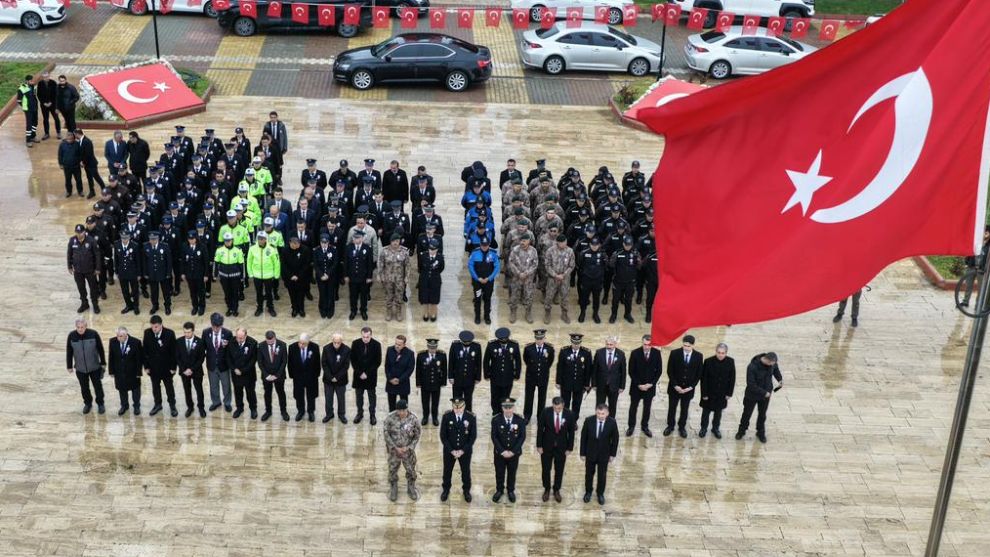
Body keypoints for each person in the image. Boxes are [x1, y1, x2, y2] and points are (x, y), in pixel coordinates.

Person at [535, 396, 575, 503]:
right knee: (546, 469)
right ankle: (547, 489)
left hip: (562, 447)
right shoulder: (545, 412)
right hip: (546, 446)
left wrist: (570, 448)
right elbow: (540, 429)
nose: (557, 410)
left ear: (563, 405)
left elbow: (571, 432)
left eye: (559, 408)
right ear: (552, 405)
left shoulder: (569, 414)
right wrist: (539, 445)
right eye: (555, 408)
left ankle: (556, 489)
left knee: (559, 469)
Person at [736, 352, 782, 443]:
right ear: (767, 360)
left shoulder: (772, 364)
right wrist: (764, 393)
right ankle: (741, 431)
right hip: (752, 395)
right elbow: (751, 384)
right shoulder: (752, 367)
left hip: (765, 395)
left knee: (762, 414)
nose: (773, 365)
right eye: (771, 364)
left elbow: (776, 370)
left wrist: (780, 379)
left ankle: (760, 432)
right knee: (747, 414)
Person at [664, 335, 703, 438]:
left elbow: (699, 374)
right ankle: (670, 426)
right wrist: (675, 385)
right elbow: (670, 371)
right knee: (672, 408)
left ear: (693, 345)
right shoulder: (674, 353)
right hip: (674, 388)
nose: (686, 348)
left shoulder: (698, 356)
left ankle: (682, 427)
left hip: (688, 390)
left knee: (684, 409)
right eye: (684, 345)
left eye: (688, 346)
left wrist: (691, 387)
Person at [580, 403, 619, 505]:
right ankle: (588, 492)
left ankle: (600, 493)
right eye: (598, 413)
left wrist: (612, 454)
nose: (600, 416)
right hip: (590, 453)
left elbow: (615, 439)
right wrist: (582, 453)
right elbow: (583, 438)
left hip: (604, 455)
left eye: (603, 413)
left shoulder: (612, 423)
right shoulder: (589, 421)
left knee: (602, 475)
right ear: (595, 412)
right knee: (589, 474)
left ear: (607, 413)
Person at [384, 399, 422, 501]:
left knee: (410, 469)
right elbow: (386, 433)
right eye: (399, 410)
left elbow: (417, 435)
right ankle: (393, 486)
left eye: (403, 410)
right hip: (394, 450)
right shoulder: (390, 418)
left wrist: (409, 447)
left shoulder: (413, 419)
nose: (401, 413)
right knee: (392, 469)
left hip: (407, 451)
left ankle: (411, 486)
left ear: (407, 409)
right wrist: (394, 447)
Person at [439, 398, 476, 502]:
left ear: (464, 406)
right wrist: (451, 450)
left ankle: (466, 491)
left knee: (466, 472)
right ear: (452, 407)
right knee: (447, 471)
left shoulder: (471, 417)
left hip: (465, 451)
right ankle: (446, 489)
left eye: (460, 407)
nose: (458, 410)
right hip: (449, 450)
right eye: (455, 407)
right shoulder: (447, 416)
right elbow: (443, 436)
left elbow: (472, 437)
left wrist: (462, 451)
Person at [66, 318, 106, 415]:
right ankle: (88, 404)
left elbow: (100, 349)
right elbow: (69, 351)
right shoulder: (71, 336)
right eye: (78, 327)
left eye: (82, 327)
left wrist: (103, 363)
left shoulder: (93, 334)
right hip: (80, 368)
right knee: (84, 388)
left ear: (86, 326)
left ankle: (100, 403)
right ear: (76, 327)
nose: (80, 329)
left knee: (98, 386)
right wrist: (69, 366)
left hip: (94, 367)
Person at [142, 315, 178, 418]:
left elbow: (174, 352)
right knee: (155, 387)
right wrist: (146, 366)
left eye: (156, 326)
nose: (154, 329)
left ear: (161, 325)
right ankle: (158, 404)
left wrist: (173, 367)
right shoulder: (147, 333)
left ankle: (172, 405)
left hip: (167, 368)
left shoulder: (169, 334)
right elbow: (145, 351)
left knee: (169, 387)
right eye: (152, 326)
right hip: (153, 368)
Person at [491, 398, 526, 503]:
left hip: (514, 454)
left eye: (510, 407)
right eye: (505, 408)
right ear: (502, 408)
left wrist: (513, 451)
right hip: (500, 453)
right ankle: (499, 490)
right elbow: (494, 437)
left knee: (512, 473)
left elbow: (522, 437)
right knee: (499, 473)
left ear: (513, 408)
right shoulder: (496, 420)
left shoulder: (520, 420)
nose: (508, 410)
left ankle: (510, 491)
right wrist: (502, 451)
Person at [627, 335, 662, 437]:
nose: (646, 347)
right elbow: (631, 371)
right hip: (636, 387)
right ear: (642, 342)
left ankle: (645, 426)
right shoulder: (635, 353)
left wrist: (651, 383)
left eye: (649, 345)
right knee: (633, 407)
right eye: (645, 344)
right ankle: (631, 426)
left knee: (647, 408)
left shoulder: (657, 353)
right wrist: (639, 384)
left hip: (649, 387)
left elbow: (659, 371)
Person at [699, 343, 735, 439]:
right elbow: (704, 379)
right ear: (716, 352)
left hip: (722, 394)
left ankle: (715, 428)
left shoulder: (730, 361)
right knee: (705, 413)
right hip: (709, 393)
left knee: (718, 413)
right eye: (718, 352)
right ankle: (703, 428)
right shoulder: (708, 361)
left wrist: (729, 393)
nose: (720, 355)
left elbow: (732, 378)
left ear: (726, 353)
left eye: (723, 353)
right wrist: (704, 394)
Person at [484, 328, 522, 416]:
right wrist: (486, 374)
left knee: (506, 395)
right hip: (495, 375)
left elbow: (518, 361)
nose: (503, 342)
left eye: (505, 340)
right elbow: (486, 360)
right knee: (495, 395)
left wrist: (517, 374)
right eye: (501, 341)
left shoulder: (514, 345)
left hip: (508, 376)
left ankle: (503, 412)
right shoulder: (492, 345)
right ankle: (495, 412)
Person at [555, 333, 593, 418]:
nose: (576, 345)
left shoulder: (586, 353)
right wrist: (558, 382)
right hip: (566, 382)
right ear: (571, 342)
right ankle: (565, 418)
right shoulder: (564, 351)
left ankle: (574, 420)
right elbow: (560, 367)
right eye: (574, 343)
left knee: (577, 403)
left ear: (580, 342)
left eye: (578, 343)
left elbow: (588, 370)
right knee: (565, 402)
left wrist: (587, 384)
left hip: (579, 383)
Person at [67, 224, 102, 314]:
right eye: (77, 232)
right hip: (78, 270)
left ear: (84, 232)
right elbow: (69, 254)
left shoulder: (91, 240)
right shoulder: (72, 240)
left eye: (81, 232)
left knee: (93, 288)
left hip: (90, 270)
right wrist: (69, 266)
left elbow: (97, 255)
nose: (79, 234)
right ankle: (84, 303)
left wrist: (98, 268)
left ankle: (95, 304)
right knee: (81, 288)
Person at [351, 327, 382, 425]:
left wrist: (367, 373)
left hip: (371, 375)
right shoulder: (355, 343)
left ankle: (372, 415)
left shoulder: (377, 345)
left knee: (371, 396)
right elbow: (353, 360)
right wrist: (360, 373)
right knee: (359, 396)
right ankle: (359, 413)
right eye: (363, 337)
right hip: (358, 375)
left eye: (367, 337)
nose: (365, 339)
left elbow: (377, 362)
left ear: (371, 335)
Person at [522, 329, 555, 424]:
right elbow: (526, 360)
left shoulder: (549, 349)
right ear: (535, 338)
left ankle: (540, 416)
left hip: (543, 377)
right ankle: (527, 416)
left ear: (544, 338)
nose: (539, 341)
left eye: (541, 339)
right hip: (531, 377)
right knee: (529, 397)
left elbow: (550, 362)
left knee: (542, 397)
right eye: (537, 338)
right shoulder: (528, 348)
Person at [109, 326, 143, 416]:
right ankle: (124, 405)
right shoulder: (112, 341)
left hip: (132, 372)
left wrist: (139, 372)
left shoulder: (135, 342)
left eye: (120, 336)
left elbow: (139, 359)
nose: (118, 338)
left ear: (126, 335)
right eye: (117, 335)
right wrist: (111, 371)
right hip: (119, 372)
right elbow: (111, 357)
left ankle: (136, 406)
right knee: (122, 390)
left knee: (135, 390)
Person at [202, 313, 233, 412]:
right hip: (211, 365)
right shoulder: (206, 332)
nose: (216, 329)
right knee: (213, 386)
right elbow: (203, 348)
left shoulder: (228, 333)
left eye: (218, 326)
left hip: (224, 365)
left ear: (221, 325)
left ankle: (227, 402)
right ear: (211, 324)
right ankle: (216, 402)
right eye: (214, 326)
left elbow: (231, 349)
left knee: (226, 386)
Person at [175, 321, 207, 418]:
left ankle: (201, 407)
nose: (186, 334)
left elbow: (201, 358)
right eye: (185, 332)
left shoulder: (200, 342)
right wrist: (184, 369)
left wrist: (191, 369)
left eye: (188, 332)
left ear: (193, 331)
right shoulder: (179, 341)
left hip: (196, 371)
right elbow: (177, 357)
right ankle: (190, 407)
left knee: (199, 390)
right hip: (184, 371)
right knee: (187, 390)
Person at [226, 327, 258, 419]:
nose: (239, 340)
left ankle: (253, 409)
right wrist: (234, 369)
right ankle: (239, 408)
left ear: (246, 336)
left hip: (248, 374)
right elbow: (228, 357)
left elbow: (253, 360)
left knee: (250, 393)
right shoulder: (231, 342)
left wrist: (242, 370)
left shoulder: (253, 343)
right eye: (237, 337)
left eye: (241, 338)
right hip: (236, 374)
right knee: (238, 392)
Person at [257, 330, 290, 422]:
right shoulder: (261, 346)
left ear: (275, 338)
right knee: (267, 393)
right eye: (268, 342)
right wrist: (266, 375)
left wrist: (277, 375)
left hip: (279, 375)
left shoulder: (282, 345)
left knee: (281, 393)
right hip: (266, 376)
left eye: (272, 342)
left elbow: (284, 361)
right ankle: (268, 411)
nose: (270, 344)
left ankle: (283, 411)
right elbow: (260, 362)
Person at [543, 234, 576, 324]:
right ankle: (547, 313)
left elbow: (572, 265)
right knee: (549, 296)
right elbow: (547, 265)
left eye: (565, 242)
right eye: (561, 243)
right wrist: (555, 275)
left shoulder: (570, 251)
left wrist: (563, 275)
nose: (564, 244)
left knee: (565, 297)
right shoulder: (550, 251)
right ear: (557, 242)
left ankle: (564, 314)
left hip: (565, 279)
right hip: (552, 279)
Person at [288, 333, 321, 422]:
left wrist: (316, 375)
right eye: (300, 343)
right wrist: (292, 375)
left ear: (308, 342)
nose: (301, 345)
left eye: (304, 344)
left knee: (311, 395)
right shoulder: (292, 347)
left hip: (311, 377)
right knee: (299, 395)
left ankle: (311, 412)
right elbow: (290, 363)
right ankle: (300, 411)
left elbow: (317, 363)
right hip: (298, 377)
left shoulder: (314, 347)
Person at [507, 233, 539, 324]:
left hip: (528, 279)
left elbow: (535, 264)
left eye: (524, 241)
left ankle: (528, 313)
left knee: (528, 296)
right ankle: (513, 312)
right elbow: (511, 262)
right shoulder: (515, 250)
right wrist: (518, 273)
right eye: (521, 241)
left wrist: (526, 273)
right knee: (514, 296)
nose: (522, 242)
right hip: (517, 278)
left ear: (529, 241)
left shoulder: (533, 251)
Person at [467, 236, 500, 324]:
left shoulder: (493, 253)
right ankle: (477, 316)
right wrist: (477, 278)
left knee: (487, 299)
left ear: (489, 244)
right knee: (477, 299)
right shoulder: (474, 253)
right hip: (477, 282)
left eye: (486, 245)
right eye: (482, 245)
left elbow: (497, 267)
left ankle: (487, 316)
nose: (484, 247)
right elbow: (470, 266)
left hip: (489, 282)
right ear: (480, 244)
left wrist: (489, 278)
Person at [448, 331, 482, 413]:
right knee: (457, 399)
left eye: (468, 342)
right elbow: (451, 362)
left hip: (470, 378)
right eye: (465, 342)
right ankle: (456, 414)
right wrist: (450, 376)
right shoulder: (455, 346)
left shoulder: (476, 347)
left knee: (468, 399)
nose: (466, 344)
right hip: (457, 378)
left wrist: (478, 377)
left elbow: (479, 363)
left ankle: (468, 415)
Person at [247, 231, 280, 317]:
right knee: (259, 293)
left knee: (269, 293)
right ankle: (259, 308)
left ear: (266, 239)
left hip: (268, 275)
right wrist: (250, 273)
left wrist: (276, 275)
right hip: (257, 275)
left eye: (263, 239)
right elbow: (249, 261)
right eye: (259, 238)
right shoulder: (252, 248)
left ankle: (270, 307)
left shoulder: (272, 248)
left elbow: (276, 262)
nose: (261, 240)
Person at [609, 236, 641, 324]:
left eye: (629, 245)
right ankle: (613, 315)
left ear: (632, 244)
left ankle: (627, 314)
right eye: (626, 245)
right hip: (618, 281)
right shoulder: (617, 253)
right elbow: (611, 265)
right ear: (623, 244)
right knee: (615, 300)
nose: (628, 246)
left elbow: (639, 266)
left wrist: (638, 261)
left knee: (628, 300)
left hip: (630, 281)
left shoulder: (636, 253)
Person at [416, 338, 447, 426]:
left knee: (435, 402)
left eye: (434, 348)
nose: (432, 350)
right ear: (427, 347)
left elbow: (444, 370)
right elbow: (418, 370)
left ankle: (434, 417)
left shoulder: (442, 355)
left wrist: (443, 382)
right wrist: (418, 383)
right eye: (430, 348)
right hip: (425, 383)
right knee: (425, 402)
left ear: (436, 347)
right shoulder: (421, 355)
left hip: (436, 383)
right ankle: (425, 417)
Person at [592, 336, 626, 418]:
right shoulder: (599, 353)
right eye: (607, 344)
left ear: (615, 344)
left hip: (614, 385)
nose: (609, 346)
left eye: (611, 344)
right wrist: (594, 384)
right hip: (601, 385)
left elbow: (623, 371)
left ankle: (611, 422)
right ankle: (598, 420)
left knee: (612, 406)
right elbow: (594, 369)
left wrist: (622, 386)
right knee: (600, 405)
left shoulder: (621, 354)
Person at [345, 230, 375, 320]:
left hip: (364, 277)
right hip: (352, 277)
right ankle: (353, 311)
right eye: (355, 238)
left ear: (362, 238)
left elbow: (370, 264)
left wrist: (369, 276)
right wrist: (346, 275)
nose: (356, 240)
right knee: (353, 295)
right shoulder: (349, 248)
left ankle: (363, 311)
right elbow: (346, 263)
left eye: (358, 238)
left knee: (364, 296)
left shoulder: (367, 248)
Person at [380, 233, 409, 322]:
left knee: (399, 296)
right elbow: (381, 264)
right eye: (393, 241)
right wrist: (381, 275)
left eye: (397, 241)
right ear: (390, 241)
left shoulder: (404, 251)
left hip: (400, 279)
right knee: (388, 296)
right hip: (388, 279)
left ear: (399, 241)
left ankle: (398, 312)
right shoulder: (384, 251)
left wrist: (407, 277)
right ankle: (389, 312)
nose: (395, 243)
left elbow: (407, 265)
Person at [322, 332, 351, 424]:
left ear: (341, 341)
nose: (336, 344)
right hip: (328, 379)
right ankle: (329, 414)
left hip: (341, 380)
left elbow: (346, 366)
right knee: (328, 398)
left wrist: (337, 377)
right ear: (332, 341)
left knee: (341, 399)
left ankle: (341, 414)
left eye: (338, 343)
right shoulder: (326, 348)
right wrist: (330, 377)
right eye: (335, 342)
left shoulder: (346, 350)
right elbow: (324, 364)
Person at [577, 236, 607, 323]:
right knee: (584, 298)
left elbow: (606, 266)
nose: (594, 246)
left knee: (596, 299)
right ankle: (582, 313)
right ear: (590, 244)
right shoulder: (584, 253)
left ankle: (595, 314)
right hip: (586, 280)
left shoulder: (602, 254)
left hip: (597, 280)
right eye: (593, 245)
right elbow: (579, 265)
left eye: (596, 245)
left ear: (599, 245)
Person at [282, 235, 312, 318]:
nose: (294, 246)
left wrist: (298, 275)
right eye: (292, 244)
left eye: (296, 244)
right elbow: (284, 265)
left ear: (299, 243)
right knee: (292, 294)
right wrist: (291, 275)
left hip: (301, 277)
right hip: (290, 278)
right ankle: (294, 308)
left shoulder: (305, 250)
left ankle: (301, 309)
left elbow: (306, 265)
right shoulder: (285, 250)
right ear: (290, 243)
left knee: (301, 294)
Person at [143, 231, 173, 315]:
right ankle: (155, 305)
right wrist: (145, 273)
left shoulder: (164, 246)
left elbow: (169, 261)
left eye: (154, 239)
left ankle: (167, 306)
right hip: (152, 273)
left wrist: (168, 273)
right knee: (153, 292)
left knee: (166, 291)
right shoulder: (146, 247)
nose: (153, 241)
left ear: (158, 239)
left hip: (163, 273)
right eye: (151, 239)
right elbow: (144, 261)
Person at [180, 231, 209, 316]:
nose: (191, 241)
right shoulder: (185, 246)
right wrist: (182, 273)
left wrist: (206, 274)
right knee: (192, 292)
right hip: (189, 274)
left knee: (201, 292)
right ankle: (195, 306)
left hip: (199, 274)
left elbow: (206, 262)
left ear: (196, 238)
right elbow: (183, 261)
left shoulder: (202, 247)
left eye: (192, 239)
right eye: (189, 239)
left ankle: (202, 306)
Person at [385, 335, 415, 411]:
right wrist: (390, 378)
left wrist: (399, 380)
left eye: (399, 345)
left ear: (404, 345)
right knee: (391, 407)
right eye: (396, 343)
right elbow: (387, 366)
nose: (397, 346)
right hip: (391, 383)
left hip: (403, 384)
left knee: (403, 407)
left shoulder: (410, 353)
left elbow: (410, 369)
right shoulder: (389, 350)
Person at [417, 240, 443, 321]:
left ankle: (433, 314)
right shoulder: (423, 256)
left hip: (435, 280)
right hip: (424, 280)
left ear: (437, 249)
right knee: (424, 298)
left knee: (434, 299)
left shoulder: (440, 257)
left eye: (433, 249)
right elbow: (420, 267)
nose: (431, 251)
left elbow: (441, 268)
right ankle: (425, 313)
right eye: (430, 249)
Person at [314, 234, 338, 318]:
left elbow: (335, 263)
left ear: (328, 242)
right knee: (322, 293)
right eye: (322, 242)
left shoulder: (333, 250)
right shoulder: (316, 251)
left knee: (331, 293)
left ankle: (330, 309)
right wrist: (321, 275)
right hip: (320, 277)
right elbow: (316, 265)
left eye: (325, 242)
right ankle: (322, 309)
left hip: (331, 276)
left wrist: (328, 274)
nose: (324, 244)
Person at [75, 129, 105, 197]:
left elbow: (88, 154)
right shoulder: (80, 141)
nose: (75, 136)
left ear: (77, 134)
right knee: (89, 178)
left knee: (96, 177)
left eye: (75, 135)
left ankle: (104, 190)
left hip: (91, 164)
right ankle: (92, 192)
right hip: (87, 164)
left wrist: (83, 162)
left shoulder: (87, 141)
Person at [58, 133, 84, 198]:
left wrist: (81, 161)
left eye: (71, 139)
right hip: (67, 166)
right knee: (68, 180)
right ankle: (68, 192)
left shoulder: (77, 144)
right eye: (68, 139)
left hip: (76, 166)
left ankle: (80, 191)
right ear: (66, 138)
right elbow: (60, 155)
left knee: (78, 179)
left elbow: (80, 154)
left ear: (73, 139)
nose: (70, 140)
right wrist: (60, 164)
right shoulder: (62, 145)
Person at [36, 71, 60, 140]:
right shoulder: (40, 84)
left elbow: (56, 94)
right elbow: (38, 94)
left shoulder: (53, 83)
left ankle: (58, 132)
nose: (45, 78)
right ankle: (46, 133)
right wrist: (43, 103)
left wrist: (51, 102)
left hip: (53, 105)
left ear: (49, 76)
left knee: (56, 118)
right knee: (45, 119)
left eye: (46, 77)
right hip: (44, 105)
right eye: (44, 77)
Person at [16, 75, 38, 146]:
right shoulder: (21, 88)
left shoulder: (33, 86)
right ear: (27, 81)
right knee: (29, 124)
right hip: (28, 109)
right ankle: (28, 140)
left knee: (35, 122)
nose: (32, 82)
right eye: (31, 80)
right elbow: (19, 100)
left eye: (32, 80)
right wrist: (24, 106)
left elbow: (34, 96)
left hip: (35, 107)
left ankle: (33, 136)